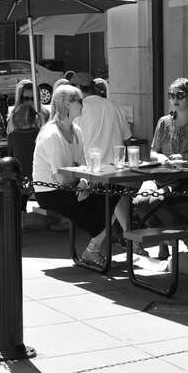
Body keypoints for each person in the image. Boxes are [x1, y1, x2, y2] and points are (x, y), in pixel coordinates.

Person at [32, 85, 131, 268]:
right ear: (67, 105)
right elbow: (61, 178)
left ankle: (93, 248)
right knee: (109, 196)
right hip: (51, 192)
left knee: (116, 189)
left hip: (71, 185)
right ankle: (93, 249)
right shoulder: (52, 134)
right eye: (78, 100)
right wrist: (81, 182)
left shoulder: (76, 130)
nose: (82, 103)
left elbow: (82, 166)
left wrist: (84, 181)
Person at [135, 78, 188, 254]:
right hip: (162, 174)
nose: (175, 99)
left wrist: (185, 156)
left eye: (180, 95)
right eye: (171, 95)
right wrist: (163, 158)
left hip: (187, 177)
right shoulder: (164, 122)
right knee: (140, 202)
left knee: (156, 201)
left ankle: (185, 239)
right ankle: (166, 239)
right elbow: (153, 152)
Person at [70, 72, 131, 166]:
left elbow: (70, 142)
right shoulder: (114, 105)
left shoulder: (79, 108)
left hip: (90, 171)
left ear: (77, 88)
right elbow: (127, 139)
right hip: (116, 171)